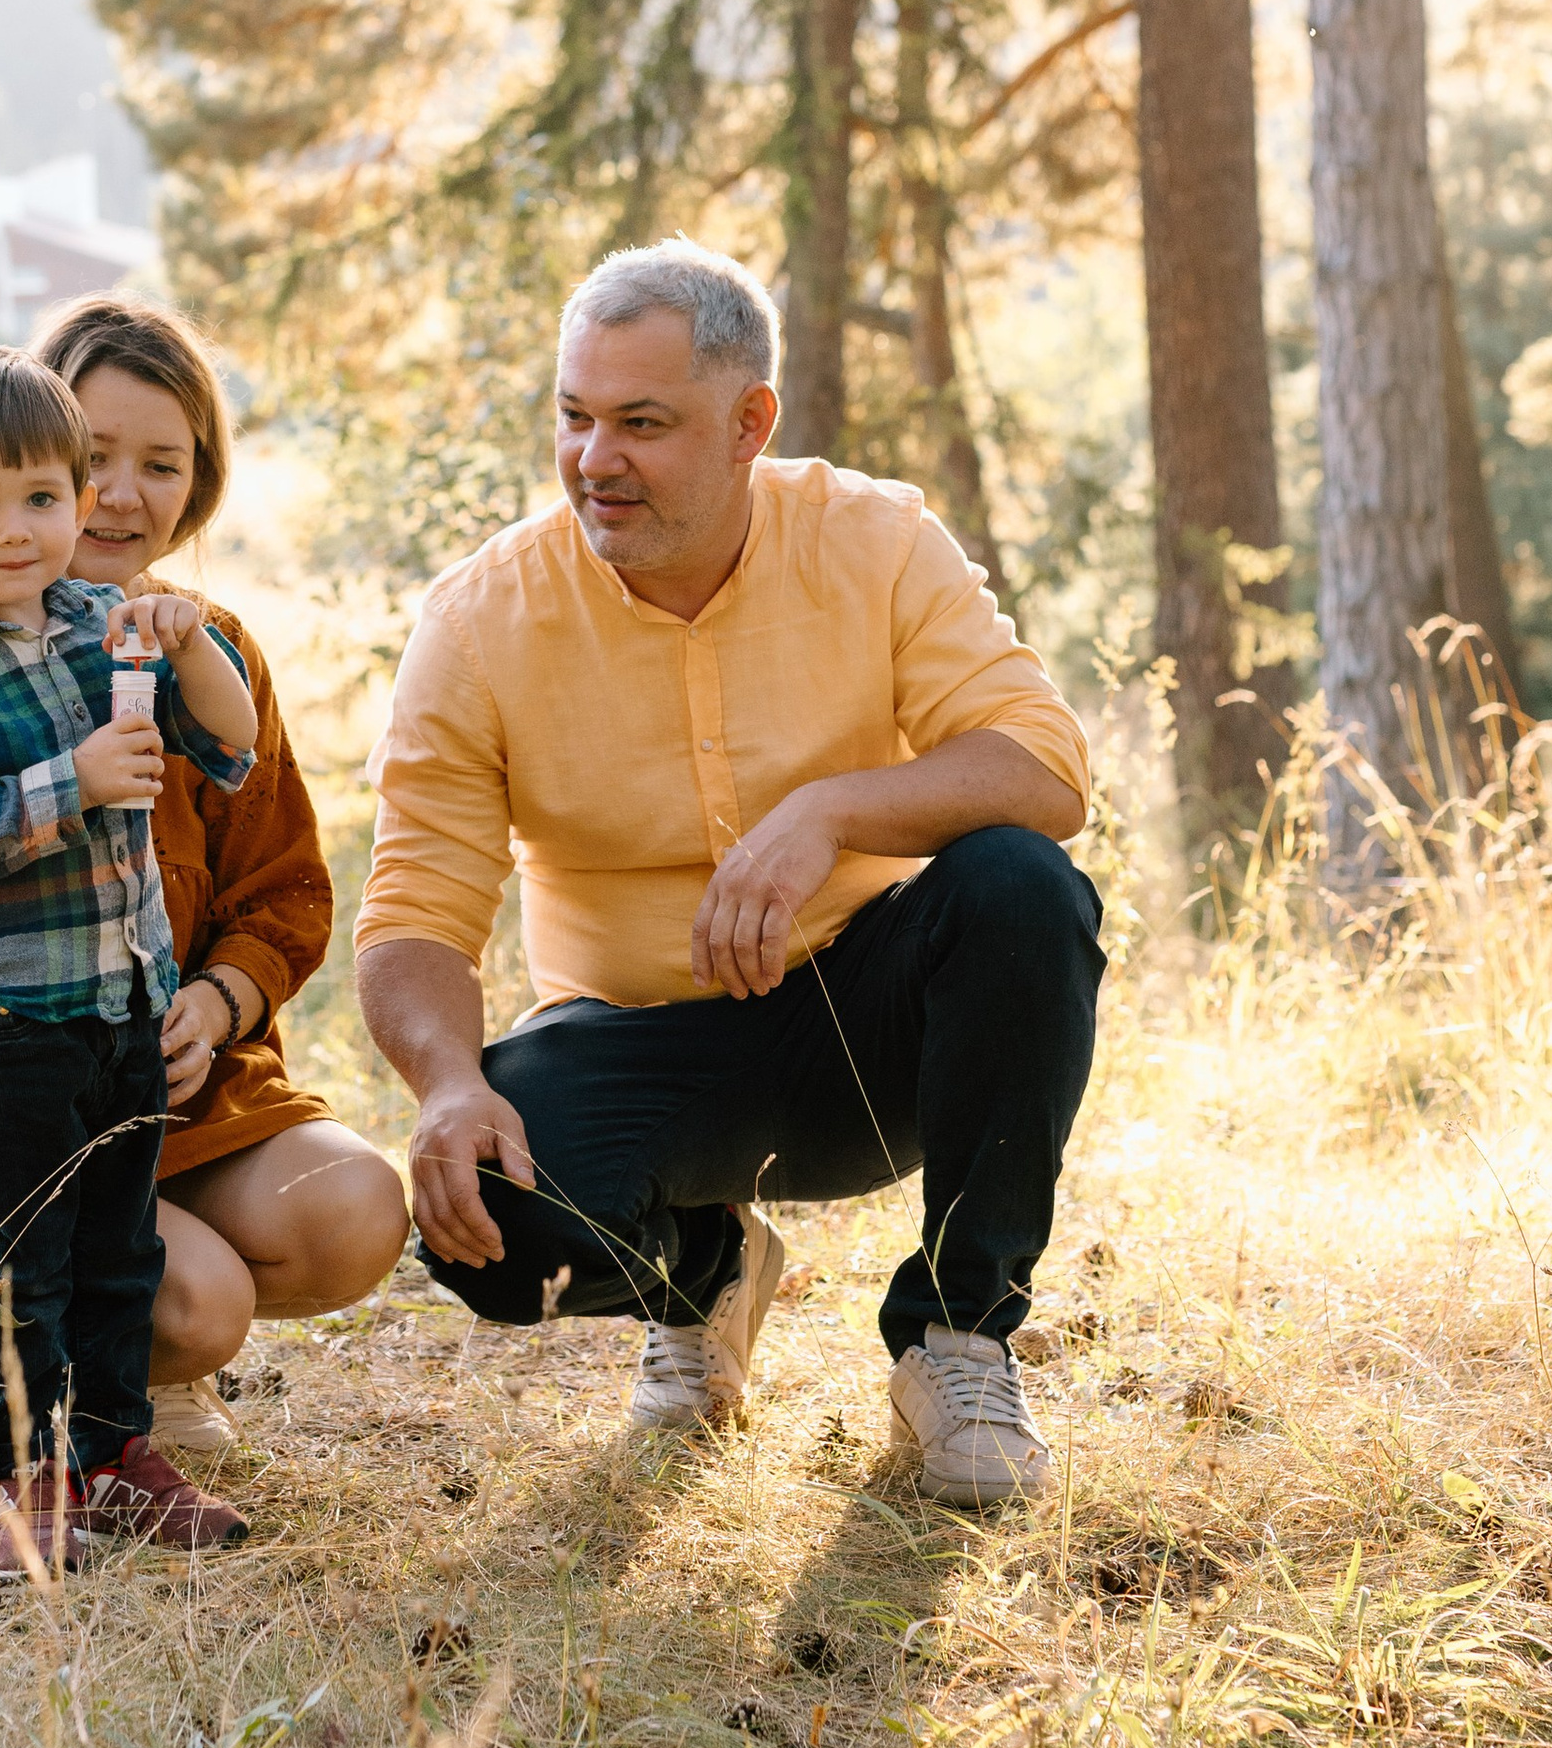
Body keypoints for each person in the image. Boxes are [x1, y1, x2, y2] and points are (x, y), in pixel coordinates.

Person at [354, 237, 1103, 1510]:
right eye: (575, 417)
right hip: (640, 1048)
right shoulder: (481, 620)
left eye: (641, 424)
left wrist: (832, 810)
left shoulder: (875, 541)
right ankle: (703, 1275)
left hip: (871, 1041)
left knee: (1020, 885)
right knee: (482, 1210)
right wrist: (445, 1082)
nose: (595, 459)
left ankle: (959, 1341)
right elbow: (416, 905)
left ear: (749, 423)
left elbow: (1045, 769)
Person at [0, 296, 408, 1492]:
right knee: (194, 1299)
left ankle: (115, 1387)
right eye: (93, 456)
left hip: (147, 1078)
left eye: (161, 464)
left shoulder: (199, 650)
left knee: (355, 1208)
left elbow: (283, 894)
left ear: (198, 485)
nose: (118, 495)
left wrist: (215, 1007)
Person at [0, 341, 262, 1578]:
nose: (14, 529)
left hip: (122, 1007)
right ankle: (10, 1479)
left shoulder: (107, 630)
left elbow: (229, 746)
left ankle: (112, 1452)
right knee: (19, 1260)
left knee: (116, 1252)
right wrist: (69, 781)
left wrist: (192, 646)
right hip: (11, 1024)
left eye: (40, 496)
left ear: (75, 504)